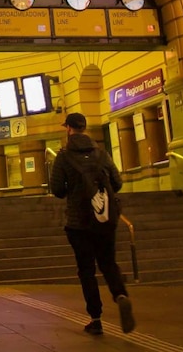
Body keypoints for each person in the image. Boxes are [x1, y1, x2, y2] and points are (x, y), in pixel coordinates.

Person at [50, 112, 135, 335]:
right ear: (85, 128)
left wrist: (76, 190)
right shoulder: (101, 154)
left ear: (68, 128)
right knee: (108, 262)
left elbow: (57, 190)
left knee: (86, 270)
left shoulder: (64, 156)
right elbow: (117, 183)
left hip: (79, 223)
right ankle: (120, 295)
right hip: (105, 219)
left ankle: (96, 318)